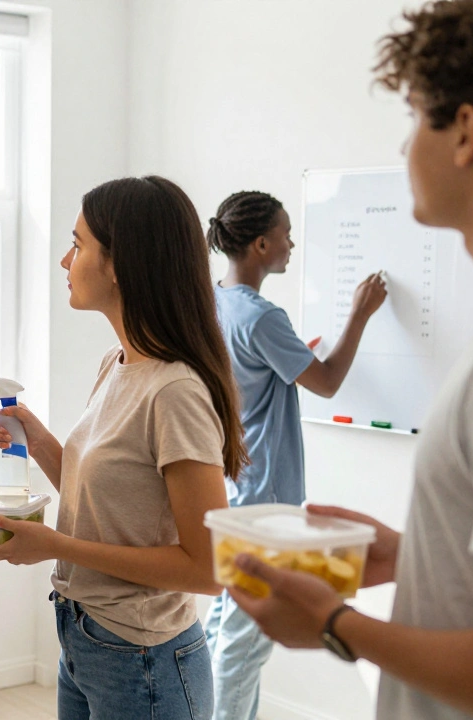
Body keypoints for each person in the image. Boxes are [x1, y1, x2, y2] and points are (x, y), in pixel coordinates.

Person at [228, 1, 473, 718]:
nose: (405, 150)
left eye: (412, 117)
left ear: (465, 131)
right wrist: (416, 554)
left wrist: (334, 624)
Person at [0, 176, 246, 720]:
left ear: (121, 264)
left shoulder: (175, 391)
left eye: (77, 245)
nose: (63, 261)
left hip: (144, 659)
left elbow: (209, 570)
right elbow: (102, 497)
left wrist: (55, 545)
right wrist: (32, 435)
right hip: (84, 639)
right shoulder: (117, 364)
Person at [202, 190, 387, 720]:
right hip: (268, 500)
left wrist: (292, 352)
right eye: (285, 233)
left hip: (234, 487)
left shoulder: (214, 302)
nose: (292, 242)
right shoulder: (262, 317)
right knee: (244, 644)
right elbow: (326, 382)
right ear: (260, 244)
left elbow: (247, 373)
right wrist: (360, 313)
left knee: (224, 625)